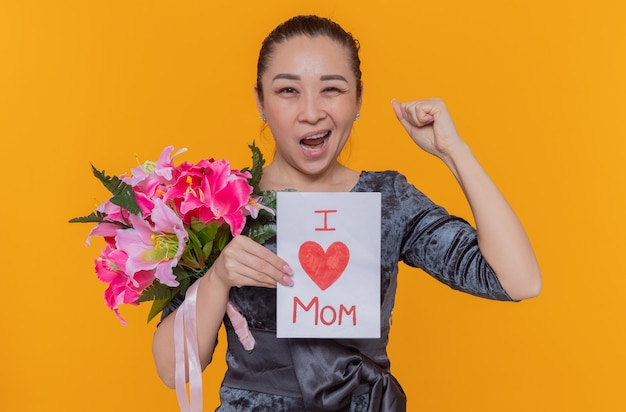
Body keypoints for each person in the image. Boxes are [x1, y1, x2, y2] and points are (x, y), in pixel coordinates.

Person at [152, 14, 541, 411]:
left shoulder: (388, 200)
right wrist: (218, 278)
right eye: (288, 90)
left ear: (358, 99)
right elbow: (173, 371)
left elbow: (518, 280)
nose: (311, 112)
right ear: (260, 101)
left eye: (331, 90)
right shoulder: (220, 200)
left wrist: (454, 151)